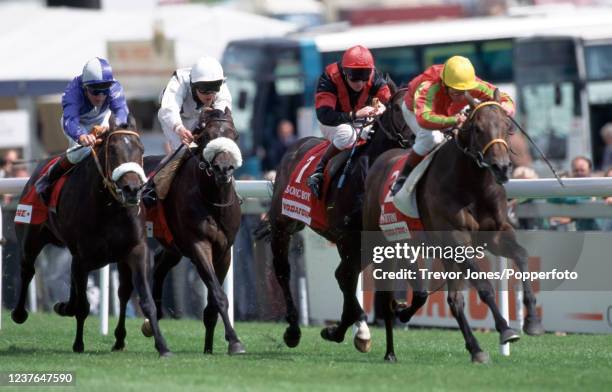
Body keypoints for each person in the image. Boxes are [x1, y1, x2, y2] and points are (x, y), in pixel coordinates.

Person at [390, 55, 515, 195]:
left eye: (465, 92)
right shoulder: (428, 87)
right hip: (415, 111)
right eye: (457, 92)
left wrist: (506, 107)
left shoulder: (472, 84)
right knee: (431, 139)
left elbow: (505, 97)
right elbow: (424, 119)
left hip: (449, 112)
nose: (462, 97)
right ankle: (403, 177)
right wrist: (453, 121)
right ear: (444, 85)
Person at [35, 57, 129, 204]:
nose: (100, 96)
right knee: (81, 152)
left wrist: (114, 127)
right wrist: (82, 136)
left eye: (105, 91)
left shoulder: (115, 87)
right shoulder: (73, 92)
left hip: (103, 119)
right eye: (95, 92)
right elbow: (70, 120)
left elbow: (122, 112)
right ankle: (49, 178)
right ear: (85, 88)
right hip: (78, 123)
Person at [143, 56, 232, 205]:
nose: (210, 95)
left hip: (204, 117)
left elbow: (223, 110)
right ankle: (152, 188)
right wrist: (179, 128)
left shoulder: (220, 86)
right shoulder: (179, 82)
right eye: (204, 90)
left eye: (214, 89)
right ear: (193, 85)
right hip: (176, 120)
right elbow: (168, 109)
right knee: (183, 153)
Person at [307, 45, 391, 199]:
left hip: (361, 119)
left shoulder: (375, 78)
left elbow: (388, 101)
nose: (360, 83)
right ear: (345, 72)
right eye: (355, 77)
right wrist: (355, 114)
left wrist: (380, 106)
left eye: (364, 76)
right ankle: (319, 169)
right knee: (347, 134)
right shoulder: (329, 78)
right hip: (333, 122)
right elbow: (325, 115)